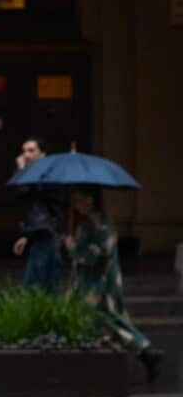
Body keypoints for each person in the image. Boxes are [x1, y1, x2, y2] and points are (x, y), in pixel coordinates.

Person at [64, 186, 164, 382]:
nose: (76, 205)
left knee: (109, 321)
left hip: (100, 285)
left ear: (90, 200)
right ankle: (144, 353)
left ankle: (144, 351)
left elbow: (97, 254)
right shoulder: (89, 223)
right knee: (104, 322)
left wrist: (73, 248)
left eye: (79, 200)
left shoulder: (101, 224)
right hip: (88, 284)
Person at [12, 137, 63, 292]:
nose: (26, 155)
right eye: (24, 151)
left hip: (49, 236)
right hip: (38, 235)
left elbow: (23, 191)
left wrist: (21, 170)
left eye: (31, 150)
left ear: (43, 154)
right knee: (33, 288)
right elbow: (34, 208)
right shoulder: (33, 176)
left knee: (42, 288)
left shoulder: (47, 175)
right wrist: (26, 236)